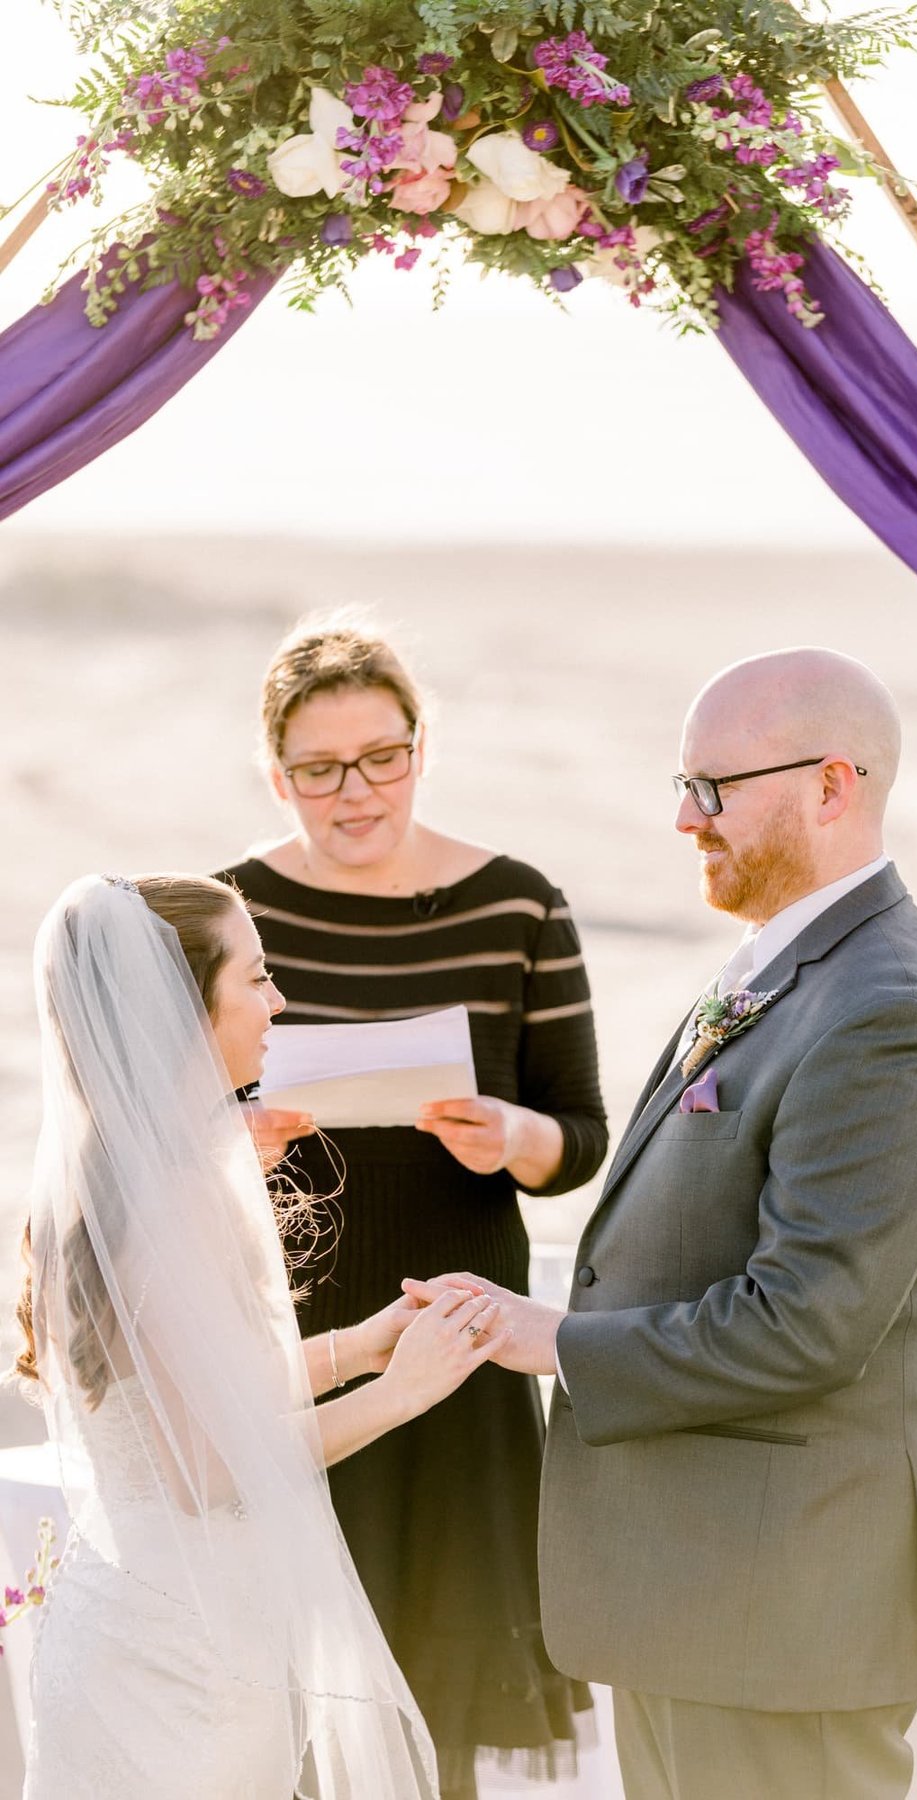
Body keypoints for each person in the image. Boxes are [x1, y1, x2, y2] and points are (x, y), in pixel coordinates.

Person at [409, 648, 917, 1800]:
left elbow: (808, 1324)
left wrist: (552, 1342)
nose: (685, 818)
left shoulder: (887, 1014)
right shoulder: (790, 963)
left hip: (781, 1616)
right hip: (701, 1597)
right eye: (682, 784)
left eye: (714, 788)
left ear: (833, 786)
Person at [218, 616, 607, 1800]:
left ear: (421, 748)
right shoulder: (223, 913)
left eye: (381, 757)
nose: (354, 793)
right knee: (285, 1686)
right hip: (282, 1336)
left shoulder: (518, 906)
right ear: (276, 775)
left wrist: (514, 1136)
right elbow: (154, 1134)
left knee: (437, 1694)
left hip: (457, 1329)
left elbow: (581, 1138)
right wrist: (235, 1136)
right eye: (319, 770)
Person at [13, 871, 511, 1797]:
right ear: (184, 1005)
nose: (278, 1001)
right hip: (186, 1662)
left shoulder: (94, 1177)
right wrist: (399, 1394)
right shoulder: (178, 1192)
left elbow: (197, 1393)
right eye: (257, 977)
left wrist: (362, 1343)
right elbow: (210, 1472)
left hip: (126, 1617)